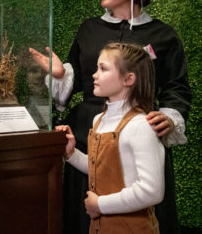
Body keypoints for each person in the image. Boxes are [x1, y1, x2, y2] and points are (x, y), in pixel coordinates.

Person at [29, 0, 191, 234]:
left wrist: (168, 118)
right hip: (88, 130)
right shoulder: (89, 29)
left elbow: (176, 86)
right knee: (85, 206)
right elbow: (76, 80)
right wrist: (59, 75)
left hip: (140, 127)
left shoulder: (164, 35)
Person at [56, 42, 165, 233]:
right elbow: (101, 169)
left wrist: (100, 204)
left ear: (128, 79)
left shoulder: (140, 126)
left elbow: (152, 191)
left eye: (103, 69)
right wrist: (72, 153)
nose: (94, 75)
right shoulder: (99, 120)